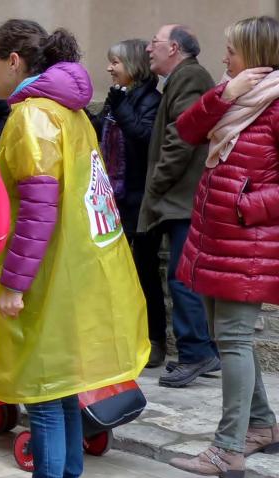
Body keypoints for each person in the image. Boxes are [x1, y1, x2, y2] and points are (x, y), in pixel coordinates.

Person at [0, 20, 148, 478]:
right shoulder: (69, 112)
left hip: (48, 273)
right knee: (68, 389)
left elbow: (36, 209)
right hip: (76, 269)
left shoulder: (32, 116)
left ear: (14, 62)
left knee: (45, 394)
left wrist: (14, 282)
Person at [168, 15, 279, 478]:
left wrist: (244, 206)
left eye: (231, 50)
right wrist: (224, 94)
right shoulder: (237, 97)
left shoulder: (274, 105)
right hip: (216, 236)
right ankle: (261, 426)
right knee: (227, 338)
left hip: (247, 240)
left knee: (232, 341)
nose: (223, 57)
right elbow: (187, 130)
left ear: (253, 53)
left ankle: (228, 447)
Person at [139, 24, 218, 387]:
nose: (148, 49)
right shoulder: (183, 78)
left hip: (183, 197)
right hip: (179, 196)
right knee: (181, 274)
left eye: (154, 43)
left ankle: (197, 352)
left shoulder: (189, 78)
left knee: (182, 275)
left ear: (173, 47)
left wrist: (155, 185)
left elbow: (181, 137)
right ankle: (197, 350)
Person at [89, 39, 164, 368]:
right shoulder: (117, 97)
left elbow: (146, 140)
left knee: (145, 270)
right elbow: (100, 133)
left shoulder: (152, 100)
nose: (109, 68)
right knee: (111, 269)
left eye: (115, 62)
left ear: (132, 66)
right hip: (111, 198)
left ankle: (154, 339)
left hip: (139, 198)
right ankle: (117, 335)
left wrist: (119, 108)